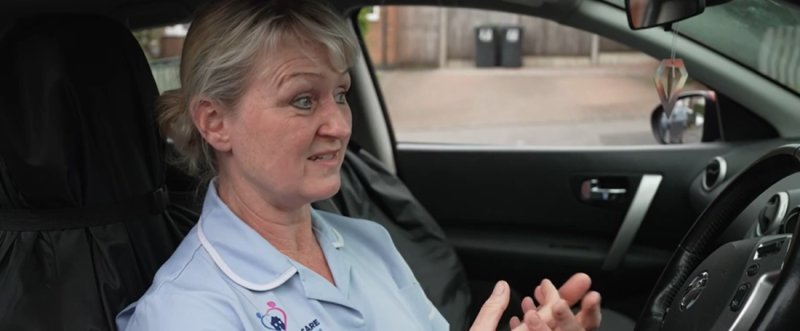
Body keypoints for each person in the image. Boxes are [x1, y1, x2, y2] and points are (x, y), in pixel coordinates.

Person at [115, 0, 603, 330]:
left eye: (341, 94)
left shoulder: (369, 242)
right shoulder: (186, 313)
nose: (340, 126)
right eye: (303, 100)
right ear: (215, 122)